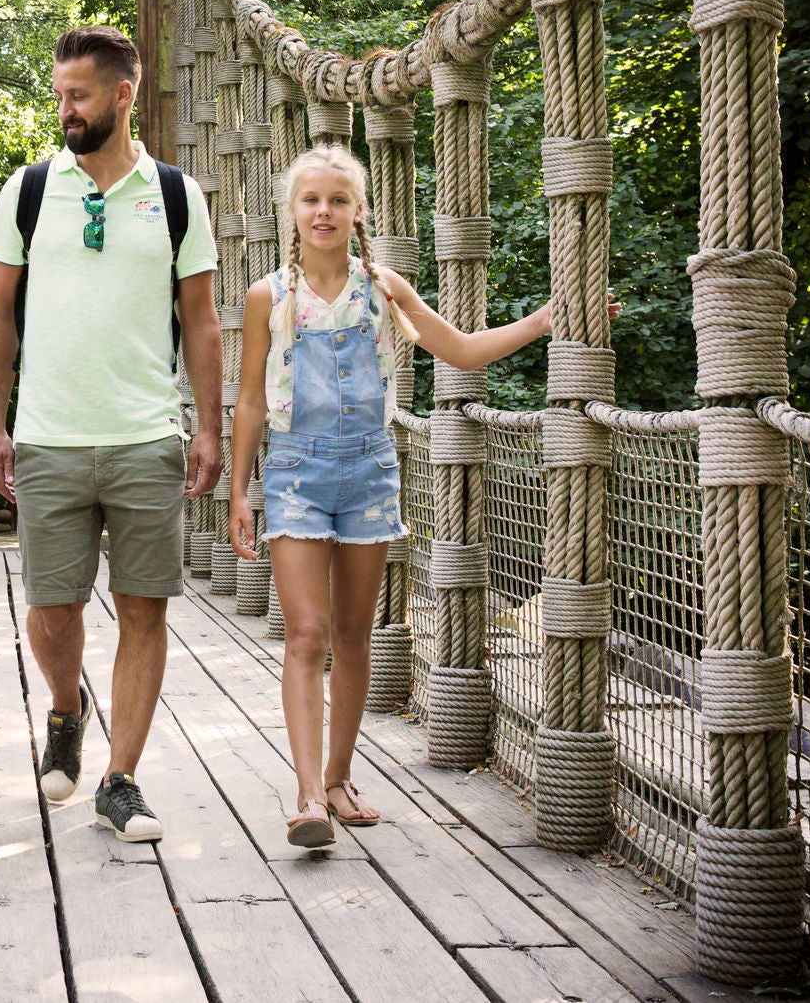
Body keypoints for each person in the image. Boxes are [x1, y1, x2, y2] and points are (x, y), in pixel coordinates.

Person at [226, 143, 615, 846]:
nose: (324, 210)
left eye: (337, 200)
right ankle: (309, 795)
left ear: (358, 211)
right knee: (308, 633)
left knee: (353, 632)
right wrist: (238, 493)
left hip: (369, 472)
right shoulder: (268, 297)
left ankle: (341, 779)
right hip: (294, 475)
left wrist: (542, 321)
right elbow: (250, 401)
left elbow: (460, 350)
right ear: (292, 210)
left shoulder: (384, 289)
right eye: (311, 199)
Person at [0, 24, 222, 844]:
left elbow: (203, 321)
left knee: (143, 610)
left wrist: (209, 428)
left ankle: (120, 778)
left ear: (124, 94)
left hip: (145, 435)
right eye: (59, 94)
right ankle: (64, 706)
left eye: (78, 95)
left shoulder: (179, 197)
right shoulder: (27, 189)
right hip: (47, 436)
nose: (65, 110)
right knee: (51, 610)